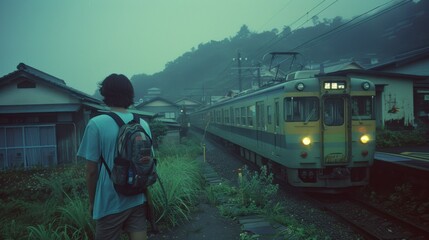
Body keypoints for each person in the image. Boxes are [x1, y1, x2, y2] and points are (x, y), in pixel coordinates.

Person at [77, 74, 149, 240]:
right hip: (137, 196)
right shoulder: (143, 123)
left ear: (105, 94)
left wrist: (93, 202)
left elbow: (91, 170)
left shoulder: (96, 123)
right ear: (130, 94)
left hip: (110, 201)